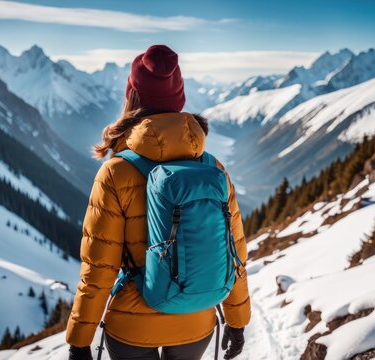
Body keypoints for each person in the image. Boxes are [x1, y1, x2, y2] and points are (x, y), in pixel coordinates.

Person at [66, 45, 251, 360]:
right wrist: (237, 323)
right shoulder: (213, 168)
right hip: (196, 318)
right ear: (179, 99)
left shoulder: (115, 172)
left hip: (132, 326)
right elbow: (232, 251)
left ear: (132, 98)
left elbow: (99, 267)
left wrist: (79, 341)